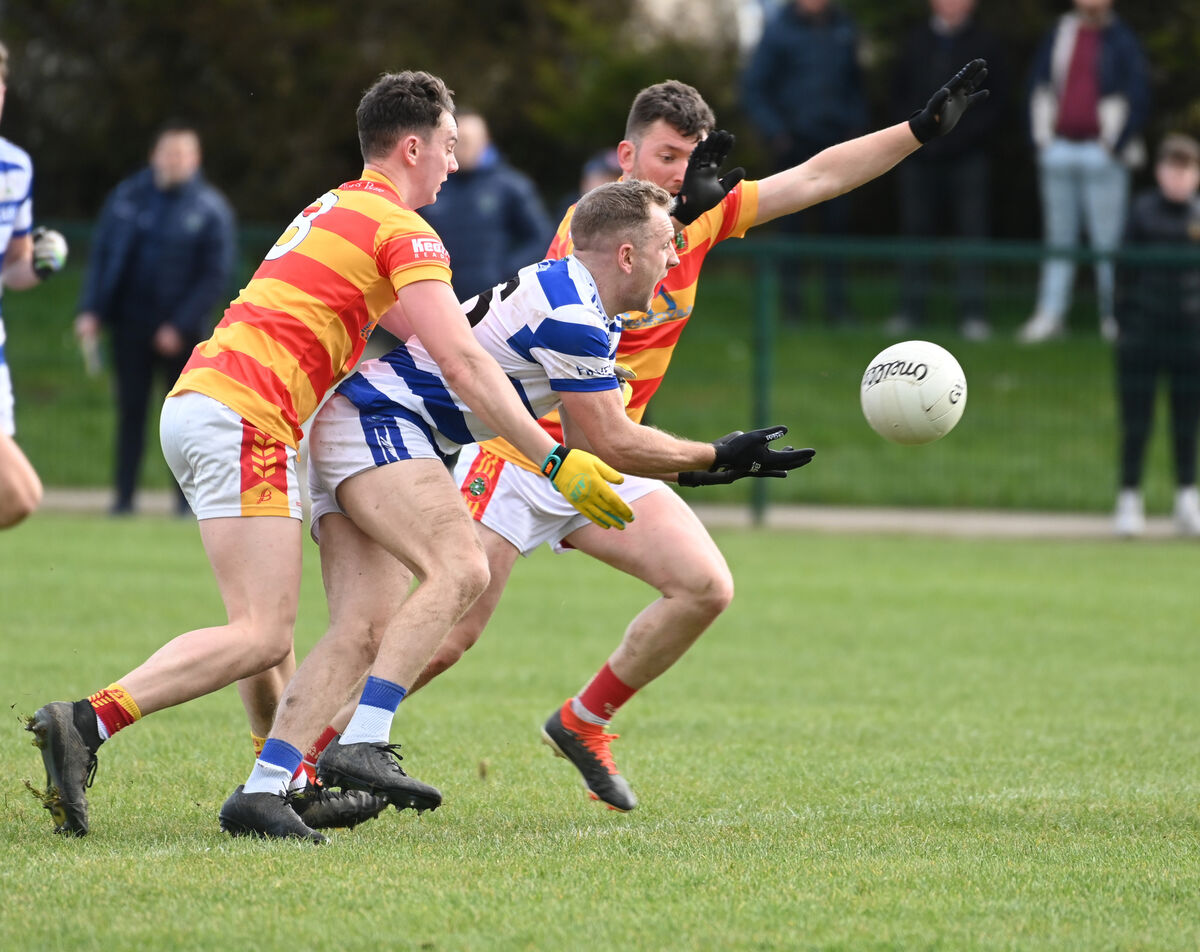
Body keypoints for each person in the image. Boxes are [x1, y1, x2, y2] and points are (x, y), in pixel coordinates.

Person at [289, 64, 982, 817]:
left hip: (620, 449)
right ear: (626, 158)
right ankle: (309, 758)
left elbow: (819, 177)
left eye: (691, 159)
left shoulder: (702, 215)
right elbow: (598, 348)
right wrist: (677, 223)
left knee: (704, 586)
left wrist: (916, 132)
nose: (682, 175)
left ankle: (584, 720)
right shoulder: (594, 231)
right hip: (527, 450)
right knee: (452, 635)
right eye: (665, 159)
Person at [24, 69, 630, 838]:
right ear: (412, 146)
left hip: (209, 401)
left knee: (284, 629)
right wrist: (552, 457)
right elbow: (464, 363)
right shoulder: (406, 232)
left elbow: (444, 335)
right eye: (446, 145)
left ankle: (274, 782)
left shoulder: (339, 204)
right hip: (250, 415)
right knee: (262, 634)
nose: (453, 160)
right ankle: (87, 722)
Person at [218, 180, 816, 841]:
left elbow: (596, 439)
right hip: (379, 422)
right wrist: (718, 455)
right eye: (663, 248)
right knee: (460, 570)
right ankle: (361, 741)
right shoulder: (575, 317)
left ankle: (267, 787)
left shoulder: (574, 294)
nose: (672, 261)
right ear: (624, 254)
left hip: (364, 421)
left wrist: (708, 463)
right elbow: (608, 440)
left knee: (362, 629)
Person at [74, 123, 236, 516]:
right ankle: (123, 500)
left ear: (195, 160)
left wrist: (178, 325)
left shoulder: (210, 209)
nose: (173, 161)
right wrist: (91, 309)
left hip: (183, 334)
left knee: (185, 421)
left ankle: (185, 505)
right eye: (168, 153)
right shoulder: (127, 199)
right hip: (129, 325)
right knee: (131, 412)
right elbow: (103, 257)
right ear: (154, 155)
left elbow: (215, 276)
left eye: (182, 155)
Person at [1016, 0, 1150, 344]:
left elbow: (1136, 94)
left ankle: (1115, 318)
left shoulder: (1122, 39)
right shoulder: (1060, 32)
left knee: (1109, 241)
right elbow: (1039, 86)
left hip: (1102, 153)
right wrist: (1042, 142)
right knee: (1058, 239)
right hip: (1058, 149)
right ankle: (1050, 316)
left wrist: (1113, 145)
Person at [739, 0, 869, 325]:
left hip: (838, 146)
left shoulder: (844, 27)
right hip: (794, 148)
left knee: (837, 230)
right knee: (791, 228)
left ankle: (837, 307)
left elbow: (857, 84)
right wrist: (777, 133)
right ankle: (792, 308)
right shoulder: (778, 31)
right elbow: (754, 88)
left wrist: (856, 125)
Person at [887, 0, 1008, 342]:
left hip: (967, 155)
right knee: (915, 231)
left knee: (971, 233)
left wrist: (958, 139)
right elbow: (897, 94)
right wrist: (918, 135)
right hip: (917, 154)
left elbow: (996, 102)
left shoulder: (987, 44)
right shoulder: (914, 41)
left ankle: (972, 314)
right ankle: (911, 310)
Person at [1112, 133, 1200, 538]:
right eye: (1173, 168)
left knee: (1186, 421)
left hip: (1189, 336)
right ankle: (1129, 498)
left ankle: (1186, 497)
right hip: (1142, 333)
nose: (1180, 177)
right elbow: (1122, 272)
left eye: (1188, 169)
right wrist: (1121, 321)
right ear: (1161, 170)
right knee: (1136, 421)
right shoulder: (1142, 212)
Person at [0, 40, 68, 529]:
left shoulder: (16, 167)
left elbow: (13, 267)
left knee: (17, 500)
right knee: (19, 491)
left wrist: (41, 266)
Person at [417, 109, 554, 301]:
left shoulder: (510, 185)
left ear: (485, 140)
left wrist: (504, 273)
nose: (463, 147)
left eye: (468, 140)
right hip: (438, 298)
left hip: (494, 302)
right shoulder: (429, 185)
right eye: (456, 141)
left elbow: (541, 238)